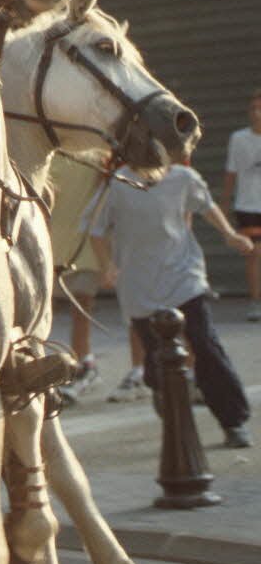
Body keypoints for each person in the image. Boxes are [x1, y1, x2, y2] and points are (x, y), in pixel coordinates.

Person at [88, 163, 254, 448]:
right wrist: (107, 266)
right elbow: (95, 227)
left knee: (205, 345)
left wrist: (229, 234)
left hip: (184, 276)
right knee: (157, 359)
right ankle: (174, 421)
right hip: (139, 284)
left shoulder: (183, 177)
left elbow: (207, 205)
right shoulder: (117, 184)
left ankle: (233, 422)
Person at [48, 157, 104, 405]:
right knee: (45, 315)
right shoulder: (49, 158)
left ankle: (83, 364)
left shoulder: (96, 157)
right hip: (51, 246)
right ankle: (49, 369)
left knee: (81, 307)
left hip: (85, 246)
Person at [223, 88, 261, 321]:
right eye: (254, 109)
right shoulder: (239, 139)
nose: (258, 113)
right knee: (254, 253)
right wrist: (224, 206)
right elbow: (231, 173)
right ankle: (255, 301)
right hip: (247, 206)